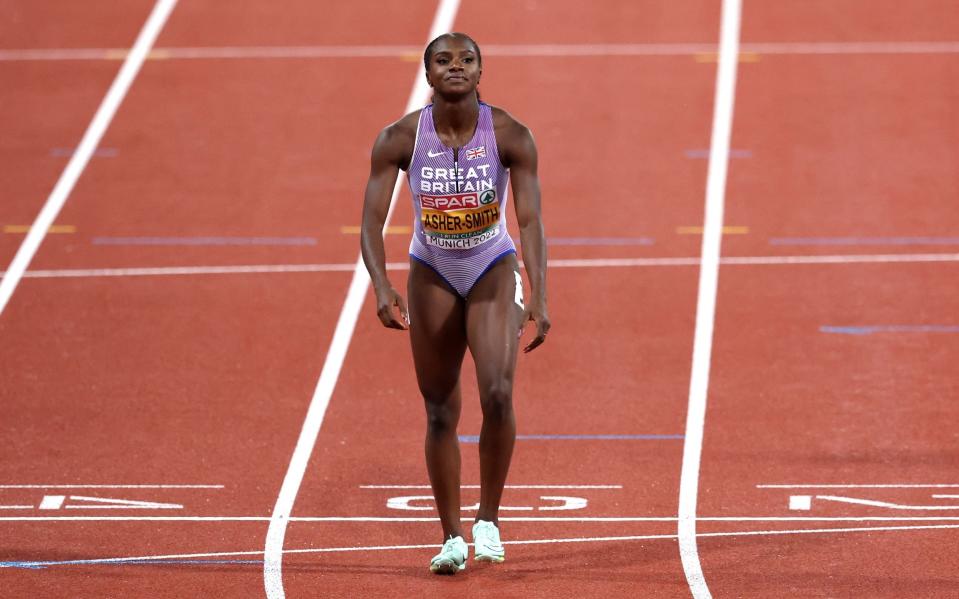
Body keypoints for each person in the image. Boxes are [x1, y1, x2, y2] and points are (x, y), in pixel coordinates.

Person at [360, 32, 550, 575]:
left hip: (491, 264)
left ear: (481, 71)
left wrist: (540, 291)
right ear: (428, 74)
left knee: (497, 389)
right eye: (444, 60)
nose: (456, 67)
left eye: (467, 60)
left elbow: (531, 220)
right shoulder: (398, 139)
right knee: (440, 409)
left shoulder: (511, 134)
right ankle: (451, 537)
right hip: (432, 271)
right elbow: (371, 222)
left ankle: (488, 518)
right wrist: (382, 284)